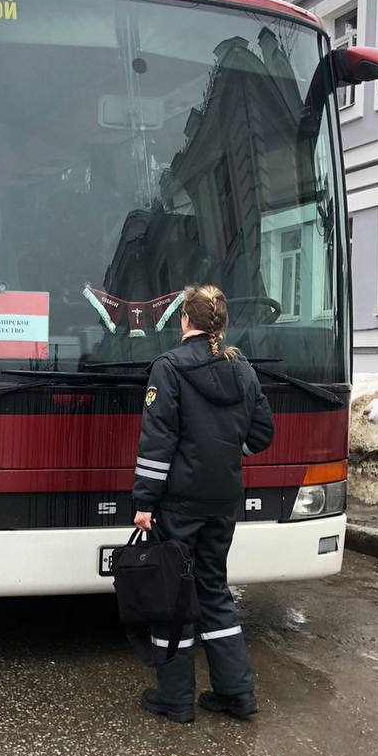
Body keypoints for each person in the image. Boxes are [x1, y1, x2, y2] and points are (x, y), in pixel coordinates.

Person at [132, 284, 275, 724]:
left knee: (171, 594)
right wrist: (225, 455)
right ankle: (236, 694)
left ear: (185, 321)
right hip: (223, 500)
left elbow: (158, 443)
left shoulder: (169, 368)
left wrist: (144, 502)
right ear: (221, 323)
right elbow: (262, 434)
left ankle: (175, 698)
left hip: (179, 503)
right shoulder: (243, 369)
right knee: (214, 589)